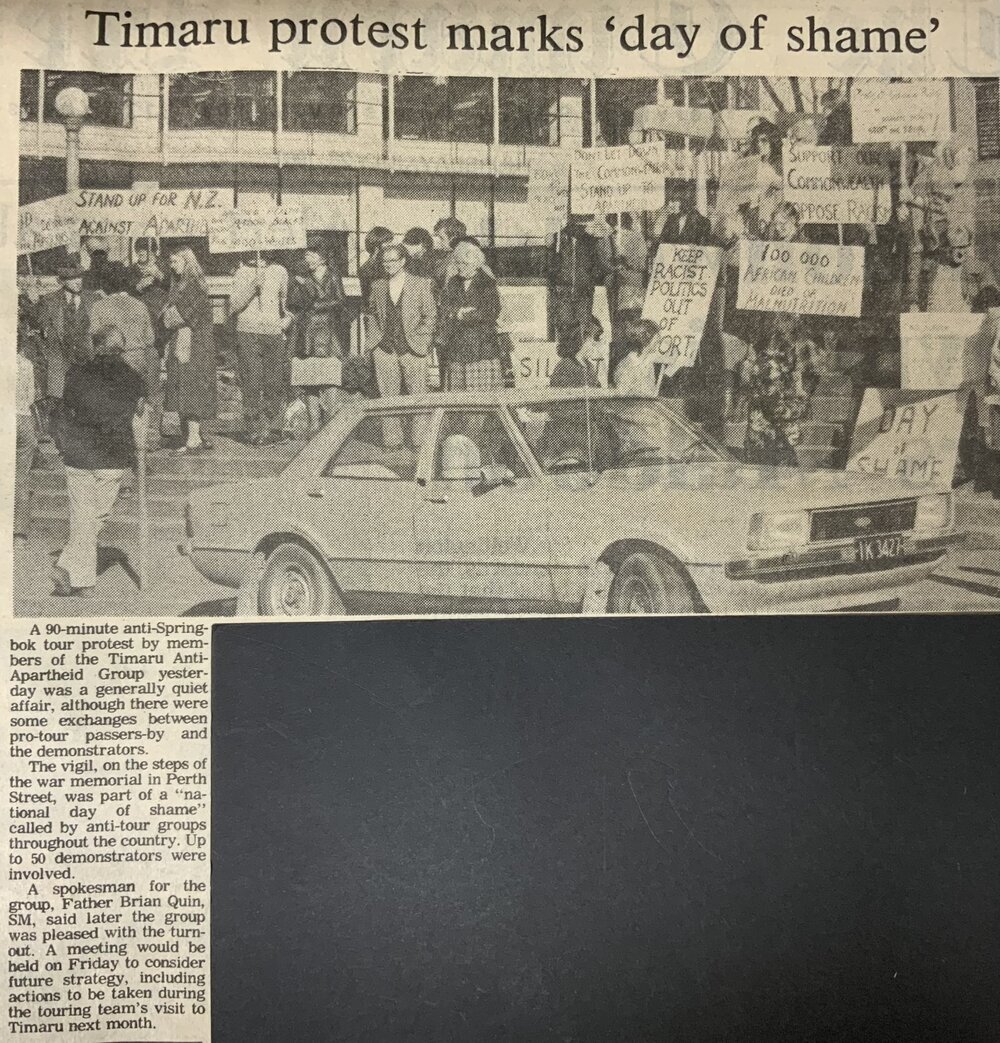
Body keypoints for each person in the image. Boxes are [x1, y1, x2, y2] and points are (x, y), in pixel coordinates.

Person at [51, 329, 147, 597]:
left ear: (96, 346)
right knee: (97, 516)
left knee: (82, 516)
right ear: (122, 348)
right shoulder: (133, 377)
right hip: (111, 456)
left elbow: (66, 408)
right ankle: (81, 581)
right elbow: (140, 415)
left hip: (78, 454)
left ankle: (67, 566)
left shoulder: (76, 373)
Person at [367, 244, 437, 446]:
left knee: (418, 396)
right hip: (385, 349)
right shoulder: (378, 286)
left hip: (413, 349)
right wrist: (374, 343)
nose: (388, 265)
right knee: (387, 397)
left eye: (393, 261)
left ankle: (419, 442)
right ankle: (392, 441)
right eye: (384, 261)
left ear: (403, 261)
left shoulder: (421, 284)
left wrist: (421, 339)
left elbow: (430, 315)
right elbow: (371, 314)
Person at [88, 262, 161, 450]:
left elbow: (94, 338)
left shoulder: (99, 307)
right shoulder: (139, 305)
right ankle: (139, 449)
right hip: (136, 361)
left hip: (111, 362)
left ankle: (114, 446)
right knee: (136, 407)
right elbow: (150, 339)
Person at [229, 251, 290, 444]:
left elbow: (287, 305)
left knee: (274, 381)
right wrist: (252, 287)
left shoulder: (280, 270)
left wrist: (284, 323)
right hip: (248, 333)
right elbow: (234, 305)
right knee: (251, 380)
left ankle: (272, 428)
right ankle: (253, 429)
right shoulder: (241, 272)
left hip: (273, 333)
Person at [288, 241, 348, 432]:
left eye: (311, 256)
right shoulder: (301, 279)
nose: (308, 259)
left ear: (322, 258)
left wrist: (315, 302)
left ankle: (331, 423)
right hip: (307, 334)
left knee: (329, 379)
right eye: (306, 256)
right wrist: (300, 287)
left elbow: (340, 301)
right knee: (309, 380)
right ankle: (314, 423)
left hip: (329, 334)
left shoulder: (332, 276)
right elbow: (293, 303)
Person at [162, 247, 217, 455]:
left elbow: (175, 317)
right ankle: (193, 435)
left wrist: (168, 314)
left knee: (190, 388)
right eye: (171, 262)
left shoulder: (192, 286)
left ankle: (193, 438)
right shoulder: (181, 284)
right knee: (184, 387)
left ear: (187, 262)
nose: (172, 266)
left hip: (194, 345)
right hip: (187, 342)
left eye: (175, 261)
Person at [435, 240, 505, 391]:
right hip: (457, 349)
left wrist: (462, 316)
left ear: (476, 263)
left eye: (464, 264)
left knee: (479, 399)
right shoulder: (453, 282)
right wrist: (457, 312)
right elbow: (444, 307)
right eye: (458, 263)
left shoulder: (487, 283)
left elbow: (491, 311)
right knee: (457, 398)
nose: (460, 268)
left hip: (480, 351)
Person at [741, 326, 808, 468]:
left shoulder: (789, 379)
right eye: (766, 356)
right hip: (761, 437)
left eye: (780, 357)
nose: (773, 363)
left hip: (780, 438)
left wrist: (790, 415)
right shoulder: (758, 376)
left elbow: (799, 401)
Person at [37, 262, 97, 403]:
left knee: (86, 405)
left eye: (79, 277)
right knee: (59, 408)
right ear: (62, 281)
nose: (77, 281)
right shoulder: (48, 301)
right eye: (71, 278)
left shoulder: (93, 298)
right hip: (60, 366)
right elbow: (40, 329)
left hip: (86, 364)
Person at [551, 214, 607, 343]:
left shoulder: (591, 241)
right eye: (576, 224)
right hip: (564, 292)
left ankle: (580, 356)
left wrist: (589, 278)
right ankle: (566, 355)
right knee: (565, 327)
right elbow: (550, 265)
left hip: (583, 292)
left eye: (582, 225)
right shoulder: (558, 239)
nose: (580, 228)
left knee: (583, 327)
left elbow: (598, 265)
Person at [14, 331, 38, 549]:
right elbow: (31, 397)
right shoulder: (27, 364)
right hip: (23, 419)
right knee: (21, 478)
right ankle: (19, 536)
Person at [551, 320, 601, 389]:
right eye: (592, 344)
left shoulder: (590, 367)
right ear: (580, 342)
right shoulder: (564, 366)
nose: (595, 347)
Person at [658, 183, 712, 247]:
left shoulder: (703, 223)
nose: (670, 205)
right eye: (670, 201)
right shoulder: (671, 219)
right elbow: (661, 244)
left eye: (674, 200)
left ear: (685, 201)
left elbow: (703, 250)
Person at [357, 227, 394, 307]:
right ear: (377, 246)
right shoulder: (370, 268)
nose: (391, 246)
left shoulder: (371, 266)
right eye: (388, 243)